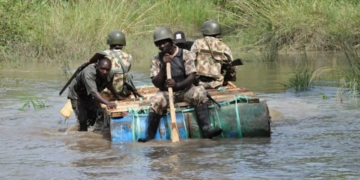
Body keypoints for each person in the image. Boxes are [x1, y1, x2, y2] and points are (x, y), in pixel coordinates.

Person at [137, 27, 222, 143]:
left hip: (185, 90)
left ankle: (207, 130)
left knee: (200, 92)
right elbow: (156, 83)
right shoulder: (156, 59)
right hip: (166, 93)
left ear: (171, 41)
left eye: (164, 43)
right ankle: (149, 136)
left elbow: (191, 76)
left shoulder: (185, 54)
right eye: (159, 44)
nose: (162, 46)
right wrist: (163, 66)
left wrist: (177, 85)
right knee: (156, 100)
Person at [67, 57, 123, 131]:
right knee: (83, 119)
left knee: (92, 118)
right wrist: (107, 103)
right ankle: (82, 138)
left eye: (107, 70)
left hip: (89, 94)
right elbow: (93, 92)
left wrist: (116, 95)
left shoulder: (110, 73)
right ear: (97, 66)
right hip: (77, 94)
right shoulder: (88, 73)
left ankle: (91, 138)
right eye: (102, 69)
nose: (105, 72)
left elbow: (109, 85)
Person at [190, 20, 237, 89]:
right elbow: (233, 66)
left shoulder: (197, 43)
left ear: (204, 32)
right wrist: (228, 78)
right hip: (216, 84)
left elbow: (190, 61)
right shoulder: (224, 47)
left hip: (198, 83)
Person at [101, 30, 142, 98]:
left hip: (106, 94)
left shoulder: (103, 55)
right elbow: (126, 72)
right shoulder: (129, 57)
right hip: (121, 93)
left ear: (109, 42)